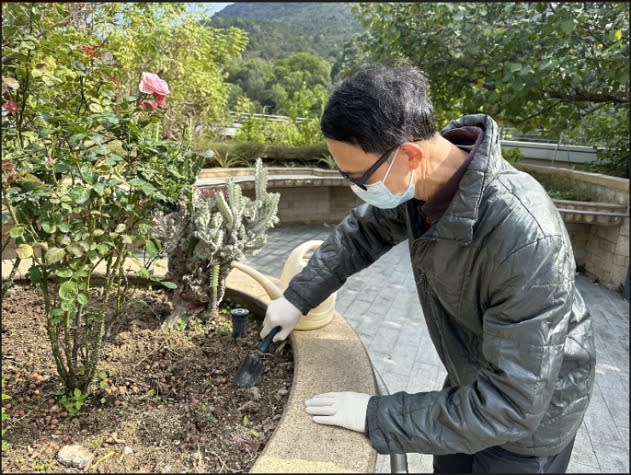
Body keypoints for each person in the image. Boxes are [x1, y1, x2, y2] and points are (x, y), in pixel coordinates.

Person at [259, 65, 596, 473]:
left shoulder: (526, 236)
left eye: (359, 178)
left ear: (411, 154)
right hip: (471, 380)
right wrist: (297, 298)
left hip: (529, 424)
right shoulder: (420, 183)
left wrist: (377, 416)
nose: (358, 189)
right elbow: (361, 234)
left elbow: (512, 404)